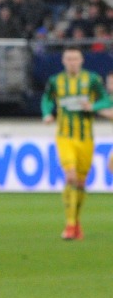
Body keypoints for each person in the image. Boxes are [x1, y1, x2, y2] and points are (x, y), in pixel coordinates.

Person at [41, 47, 112, 240]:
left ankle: (76, 221)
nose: (72, 62)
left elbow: (106, 101)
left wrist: (93, 106)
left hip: (86, 138)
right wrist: (47, 113)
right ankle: (70, 225)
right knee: (71, 177)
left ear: (81, 60)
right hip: (65, 136)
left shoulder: (92, 79)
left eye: (75, 58)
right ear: (63, 61)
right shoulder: (56, 81)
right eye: (68, 59)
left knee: (80, 182)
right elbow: (46, 100)